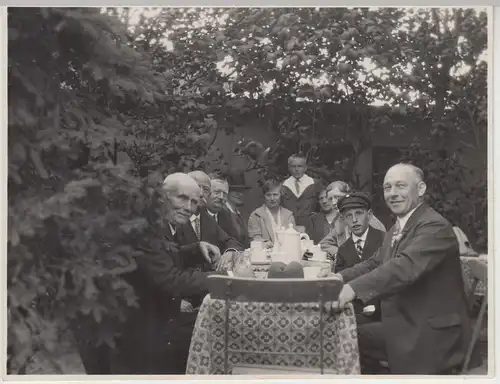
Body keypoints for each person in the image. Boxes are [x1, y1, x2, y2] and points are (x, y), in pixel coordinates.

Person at [320, 163, 475, 374]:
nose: (393, 194)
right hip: (405, 319)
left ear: (420, 189)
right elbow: (374, 263)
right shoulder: (400, 225)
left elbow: (404, 267)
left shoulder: (434, 226)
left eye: (400, 186)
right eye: (387, 187)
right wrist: (337, 277)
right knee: (341, 326)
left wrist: (351, 290)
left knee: (341, 334)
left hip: (429, 333)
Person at [112, 173, 228, 374]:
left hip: (158, 313)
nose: (188, 207)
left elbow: (166, 257)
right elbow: (171, 279)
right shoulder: (149, 229)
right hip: (144, 328)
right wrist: (220, 278)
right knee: (217, 331)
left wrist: (195, 248)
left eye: (193, 202)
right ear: (163, 196)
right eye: (181, 198)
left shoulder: (165, 224)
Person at [333, 192, 385, 324]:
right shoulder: (343, 249)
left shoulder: (384, 239)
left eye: (359, 213)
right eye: (349, 216)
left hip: (383, 308)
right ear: (343, 220)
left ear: (370, 215)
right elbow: (340, 286)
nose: (354, 220)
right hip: (356, 311)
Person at [177, 175, 244, 256]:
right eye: (217, 192)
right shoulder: (176, 217)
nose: (221, 197)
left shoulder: (215, 217)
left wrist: (230, 251)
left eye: (225, 194)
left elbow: (232, 241)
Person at [320, 181, 386, 257]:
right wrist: (339, 253)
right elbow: (324, 244)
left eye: (337, 197)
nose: (334, 202)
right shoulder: (341, 220)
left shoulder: (368, 220)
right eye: (330, 199)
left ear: (349, 195)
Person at [248, 177, 296, 249]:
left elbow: (293, 240)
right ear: (264, 196)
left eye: (275, 194)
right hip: (264, 255)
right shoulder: (256, 215)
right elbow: (255, 239)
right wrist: (264, 243)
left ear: (281, 195)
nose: (272, 198)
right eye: (268, 195)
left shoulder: (289, 215)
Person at [280, 154, 320, 227]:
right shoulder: (283, 186)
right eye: (293, 166)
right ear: (289, 168)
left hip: (311, 227)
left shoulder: (315, 184)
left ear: (305, 168)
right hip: (289, 227)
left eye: (299, 166)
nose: (296, 169)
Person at [219, 172, 251, 248]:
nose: (239, 194)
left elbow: (244, 239)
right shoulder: (222, 212)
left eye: (241, 191)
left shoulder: (237, 213)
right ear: (227, 192)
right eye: (235, 190)